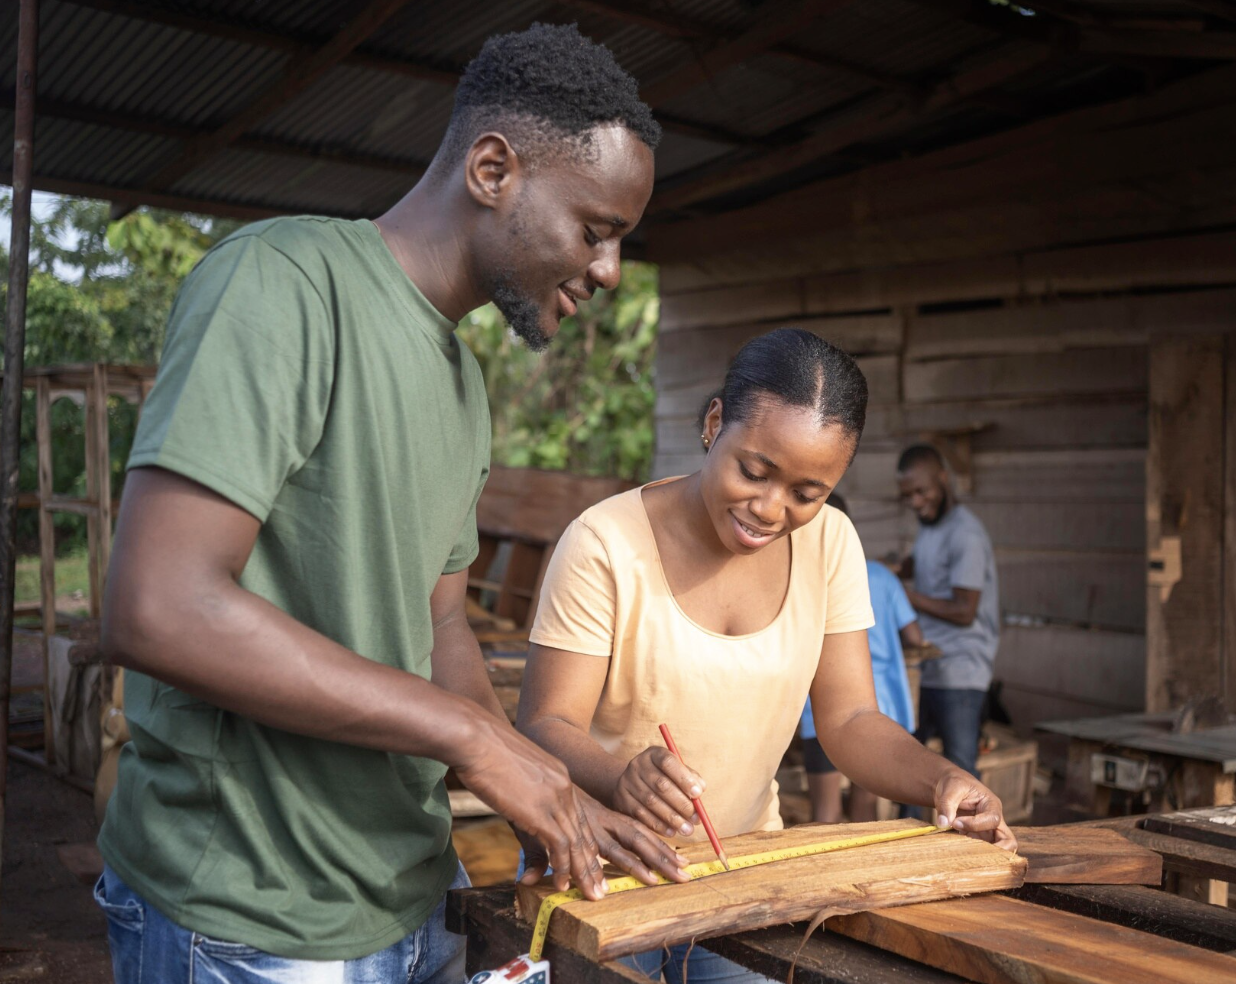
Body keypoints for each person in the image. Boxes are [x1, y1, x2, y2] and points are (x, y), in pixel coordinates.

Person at [94, 24, 687, 983]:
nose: (610, 271)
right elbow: (160, 608)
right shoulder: (285, 283)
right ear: (493, 169)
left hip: (411, 893)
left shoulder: (463, 386)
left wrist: (539, 787)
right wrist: (468, 740)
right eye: (596, 230)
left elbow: (440, 622)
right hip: (254, 914)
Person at [517, 328, 1016, 984]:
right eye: (753, 470)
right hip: (604, 880)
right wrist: (618, 778)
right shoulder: (604, 543)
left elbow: (850, 722)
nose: (769, 509)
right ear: (715, 422)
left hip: (745, 872)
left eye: (807, 493)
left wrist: (941, 780)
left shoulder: (832, 544)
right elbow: (542, 725)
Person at [799, 493, 924, 823]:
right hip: (883, 705)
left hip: (824, 707)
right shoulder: (882, 577)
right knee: (865, 811)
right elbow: (915, 638)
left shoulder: (802, 576)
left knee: (825, 814)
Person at [895, 445, 999, 778]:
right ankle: (908, 830)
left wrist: (903, 595)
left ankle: (969, 832)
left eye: (921, 491)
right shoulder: (930, 525)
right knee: (910, 766)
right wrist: (894, 570)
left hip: (960, 671)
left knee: (960, 768)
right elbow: (926, 565)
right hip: (928, 665)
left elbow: (965, 610)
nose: (915, 502)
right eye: (908, 495)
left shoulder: (965, 534)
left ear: (943, 479)